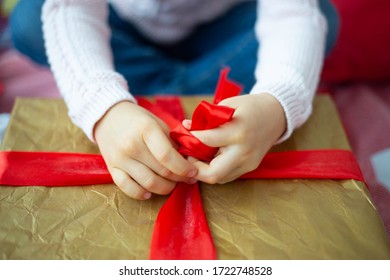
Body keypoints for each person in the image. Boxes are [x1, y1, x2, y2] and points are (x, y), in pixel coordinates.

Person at [10, 0, 339, 200]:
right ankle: (188, 81)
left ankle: (159, 81)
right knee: (30, 19)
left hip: (226, 26)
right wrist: (105, 109)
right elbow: (70, 8)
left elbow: (295, 14)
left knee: (321, 16)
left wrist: (276, 105)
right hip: (121, 24)